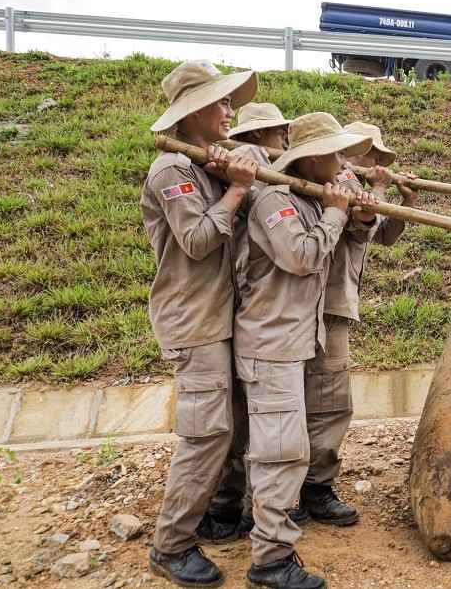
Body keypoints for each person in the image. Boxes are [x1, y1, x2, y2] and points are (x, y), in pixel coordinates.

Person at [232, 112, 373, 589]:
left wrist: (351, 215)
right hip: (270, 344)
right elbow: (303, 257)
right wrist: (336, 212)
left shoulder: (312, 198)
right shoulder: (276, 198)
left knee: (284, 447)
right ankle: (270, 560)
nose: (343, 161)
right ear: (309, 159)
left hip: (290, 342)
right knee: (279, 451)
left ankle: (271, 535)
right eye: (335, 153)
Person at [143, 59, 261, 587]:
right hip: (195, 321)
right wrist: (233, 191)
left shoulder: (205, 166)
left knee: (232, 423)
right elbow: (194, 242)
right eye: (219, 100)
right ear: (190, 113)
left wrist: (229, 178)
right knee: (207, 431)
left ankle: (220, 512)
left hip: (224, 316)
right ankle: (171, 544)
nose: (229, 107)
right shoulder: (171, 172)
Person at [296, 121, 416, 527]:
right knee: (327, 401)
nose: (379, 163)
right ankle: (310, 489)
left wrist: (406, 204)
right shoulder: (339, 182)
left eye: (382, 160)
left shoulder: (346, 182)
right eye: (373, 156)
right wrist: (379, 190)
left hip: (332, 301)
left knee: (322, 399)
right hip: (320, 303)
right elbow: (357, 224)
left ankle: (306, 485)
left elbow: (379, 234)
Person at [196, 102, 306, 544]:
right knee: (261, 437)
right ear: (260, 137)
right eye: (280, 133)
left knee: (250, 430)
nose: (285, 142)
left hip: (246, 318)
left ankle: (235, 512)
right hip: (258, 323)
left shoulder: (263, 177)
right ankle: (257, 536)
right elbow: (300, 256)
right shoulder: (257, 169)